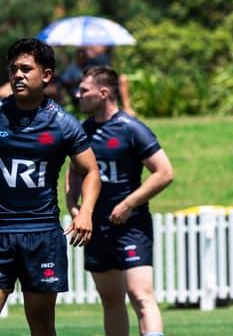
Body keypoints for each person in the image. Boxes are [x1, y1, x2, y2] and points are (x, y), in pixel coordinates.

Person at [0, 37, 101, 335]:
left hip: (41, 235)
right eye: (13, 69)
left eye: (25, 69)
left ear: (45, 75)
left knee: (42, 326)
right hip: (1, 231)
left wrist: (85, 213)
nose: (17, 74)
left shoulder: (63, 123)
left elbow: (91, 172)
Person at [66, 65, 174, 336]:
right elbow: (74, 173)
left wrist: (128, 204)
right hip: (96, 227)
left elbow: (164, 173)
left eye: (84, 90)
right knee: (111, 300)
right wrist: (73, 206)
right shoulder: (82, 131)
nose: (78, 95)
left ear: (103, 93)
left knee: (140, 294)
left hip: (131, 225)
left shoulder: (132, 129)